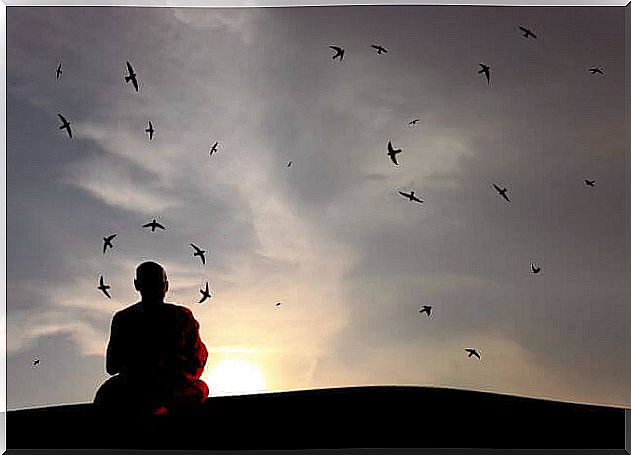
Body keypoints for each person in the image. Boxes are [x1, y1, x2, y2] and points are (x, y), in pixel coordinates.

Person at [94, 261, 209, 415]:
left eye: (155, 283)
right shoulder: (181, 317)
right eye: (150, 283)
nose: (154, 288)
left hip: (162, 388)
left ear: (136, 284)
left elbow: (112, 366)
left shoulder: (124, 318)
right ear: (166, 285)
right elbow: (196, 363)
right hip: (139, 388)